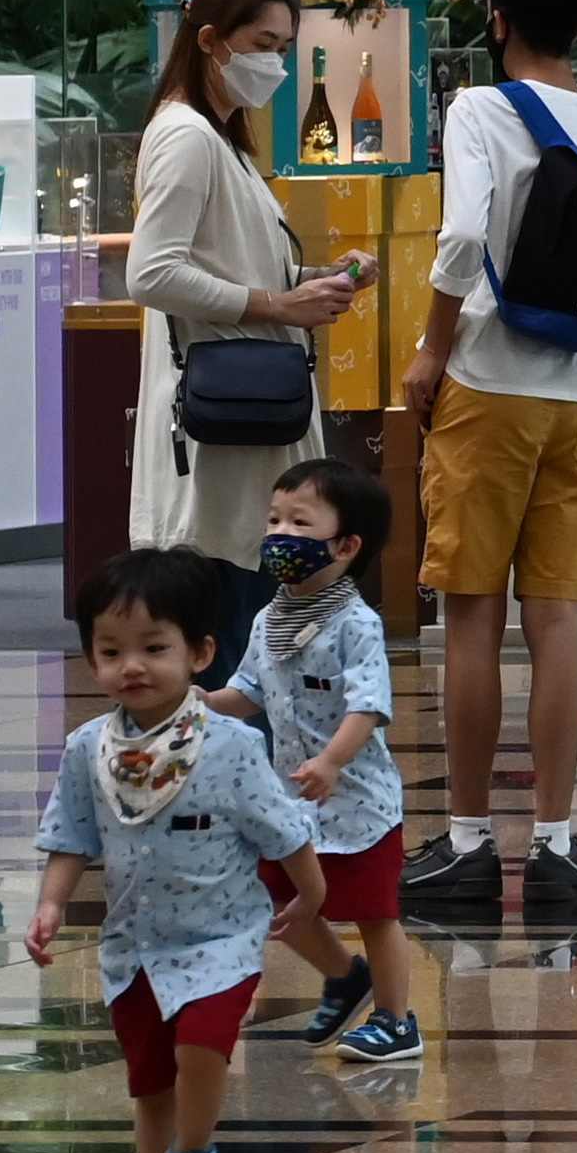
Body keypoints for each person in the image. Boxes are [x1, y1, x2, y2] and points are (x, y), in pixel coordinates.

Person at [398, 0, 577, 924]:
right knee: (555, 621)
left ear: (495, 15)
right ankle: (554, 846)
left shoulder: (479, 110)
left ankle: (464, 847)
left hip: (489, 385)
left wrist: (429, 348)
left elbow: (462, 236)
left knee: (470, 615)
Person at [29, 547, 324, 1153]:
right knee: (150, 1084)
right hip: (133, 948)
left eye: (153, 648)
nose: (131, 665)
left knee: (202, 1049)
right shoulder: (86, 749)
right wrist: (50, 905)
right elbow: (71, 834)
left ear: (200, 652)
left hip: (221, 939)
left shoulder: (230, 746)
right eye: (110, 650)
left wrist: (312, 892)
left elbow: (281, 829)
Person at [123, 0, 371, 673]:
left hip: (245, 422)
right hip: (221, 430)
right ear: (210, 40)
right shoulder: (189, 138)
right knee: (234, 640)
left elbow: (227, 262)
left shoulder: (220, 139)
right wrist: (276, 303)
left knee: (255, 638)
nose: (275, 64)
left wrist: (314, 282)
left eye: (285, 48)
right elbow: (152, 271)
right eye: (262, 45)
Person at [215, 456, 424, 1064]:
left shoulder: (356, 623)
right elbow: (248, 691)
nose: (280, 535)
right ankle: (341, 975)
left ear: (346, 544)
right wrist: (202, 703)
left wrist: (332, 761)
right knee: (278, 899)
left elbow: (369, 706)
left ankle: (396, 1019)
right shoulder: (269, 619)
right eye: (275, 520)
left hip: (358, 802)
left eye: (299, 523)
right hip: (290, 800)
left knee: (375, 912)